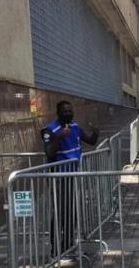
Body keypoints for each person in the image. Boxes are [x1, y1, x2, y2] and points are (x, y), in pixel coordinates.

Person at [41, 101, 98, 259]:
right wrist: (59, 137)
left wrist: (95, 131)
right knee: (60, 213)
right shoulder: (50, 130)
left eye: (70, 110)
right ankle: (55, 250)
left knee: (70, 212)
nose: (68, 113)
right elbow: (49, 152)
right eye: (65, 111)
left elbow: (91, 141)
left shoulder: (74, 126)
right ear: (58, 113)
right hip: (58, 178)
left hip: (72, 175)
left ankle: (68, 246)